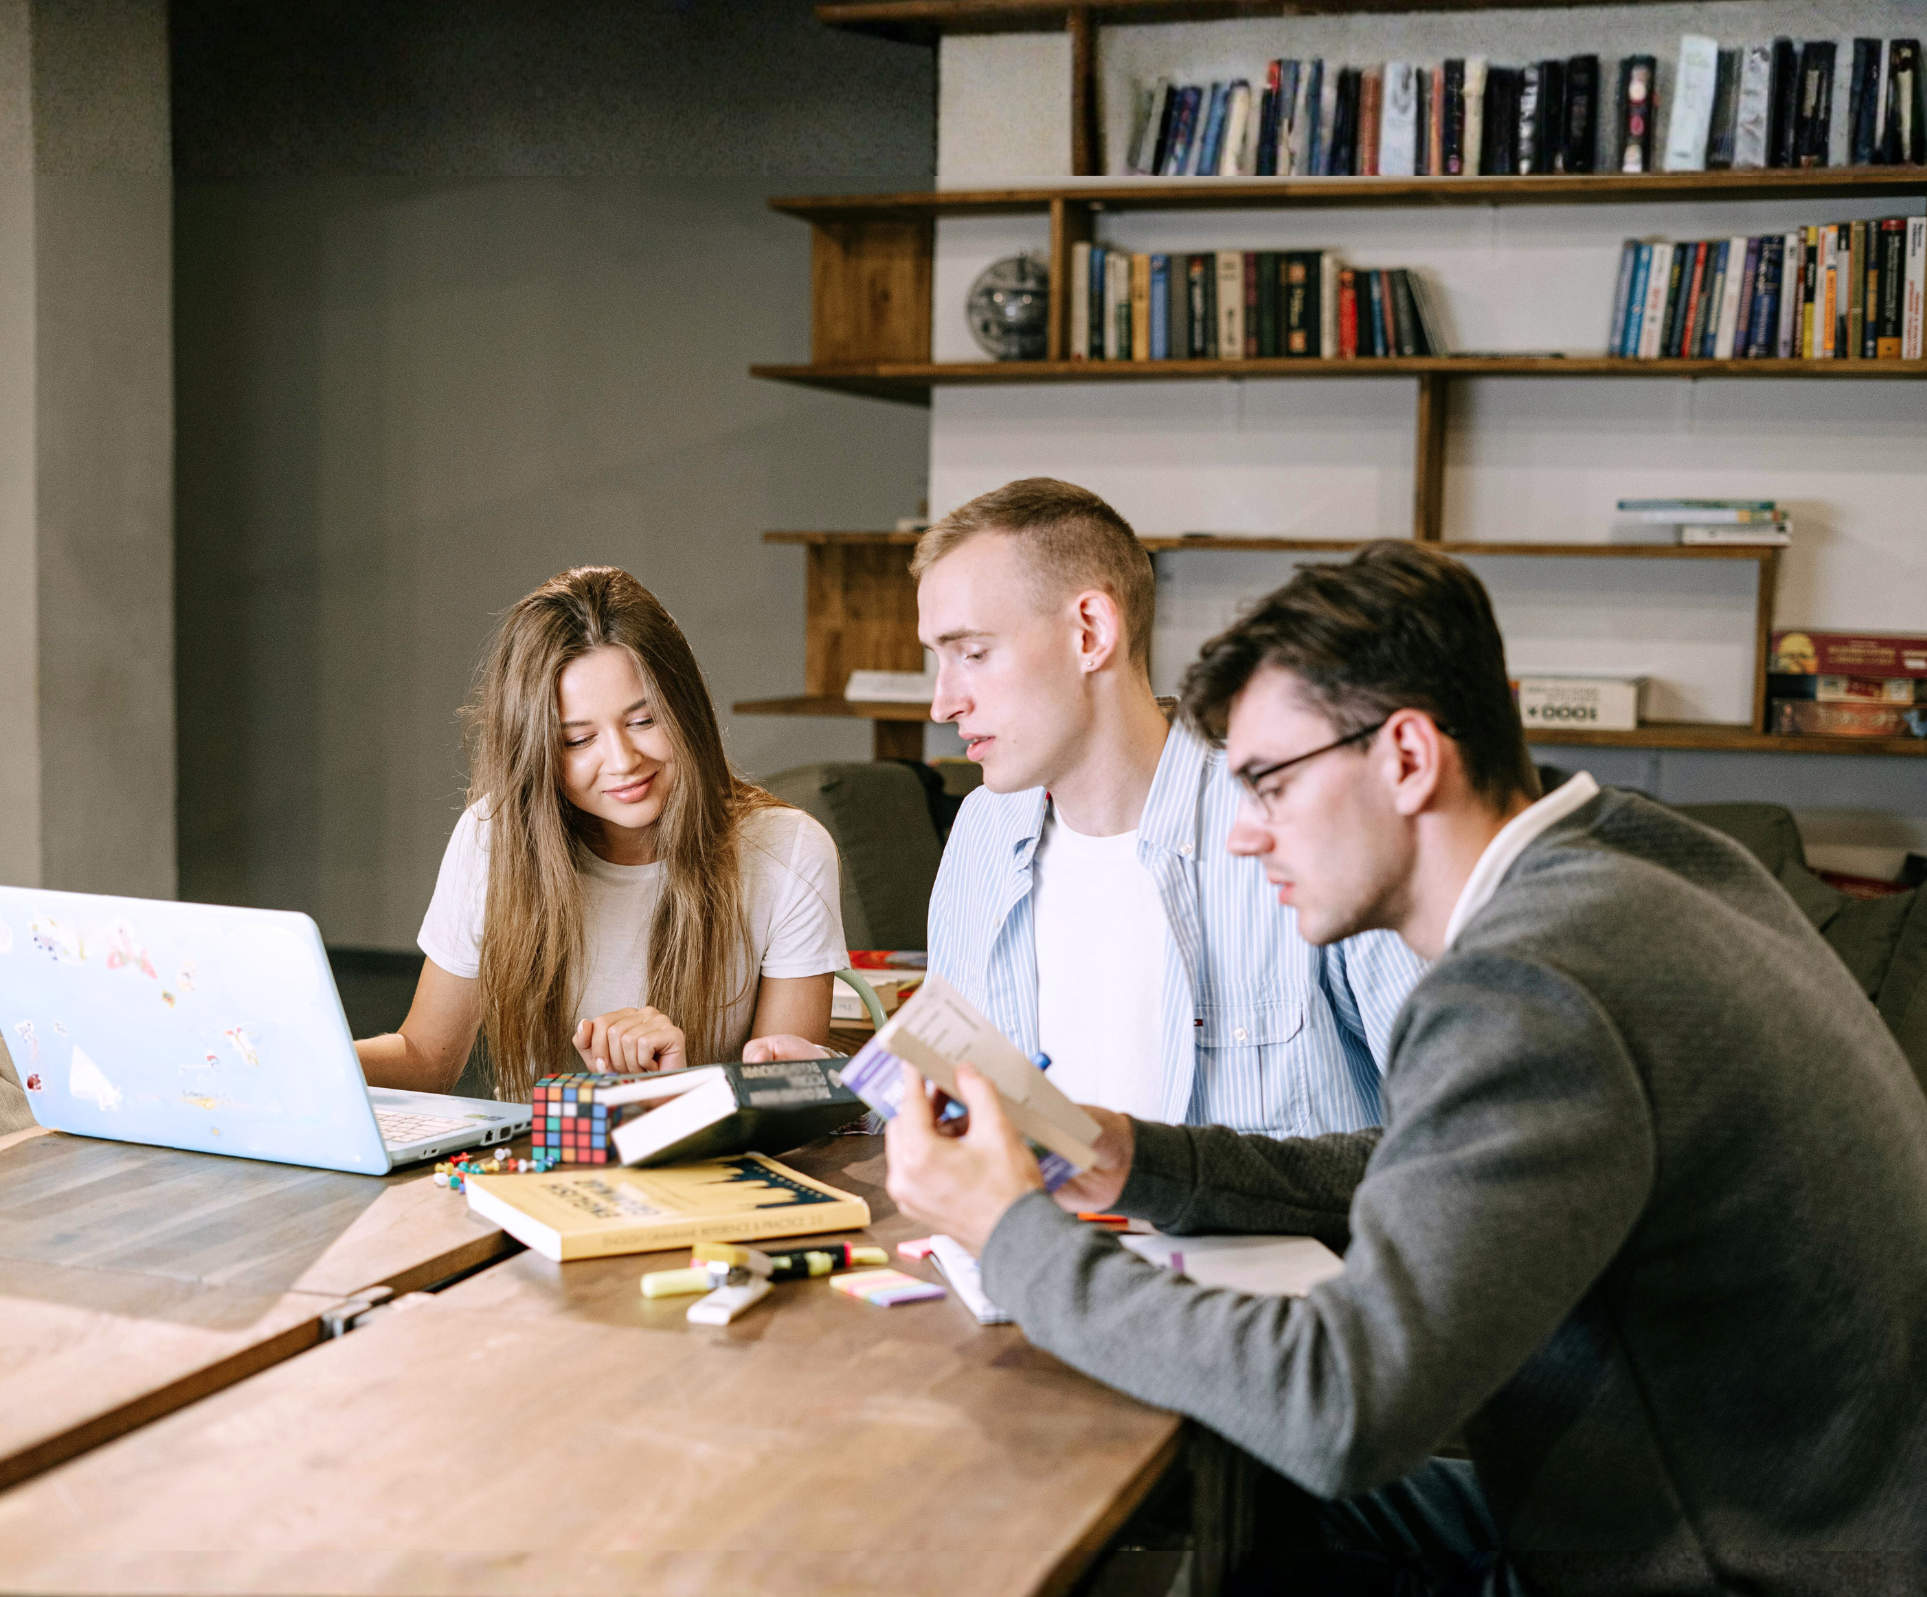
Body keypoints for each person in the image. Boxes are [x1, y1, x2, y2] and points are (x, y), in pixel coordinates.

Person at [882, 541, 1927, 1595]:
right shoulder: (1639, 856)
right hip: (1738, 1503)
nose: (1243, 837)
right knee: (1215, 1494)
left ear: (1408, 758)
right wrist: (1138, 1157)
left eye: (1269, 785)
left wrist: (1015, 1237)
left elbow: (1342, 1406)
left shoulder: (1533, 984)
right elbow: (1433, 1163)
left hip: (1730, 1560)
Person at [875, 478, 1426, 1132]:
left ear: (1089, 632)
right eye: (937, 660)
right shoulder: (981, 832)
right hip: (1029, 1232)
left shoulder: (1304, 822)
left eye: (972, 653)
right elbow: (960, 1107)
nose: (943, 704)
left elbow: (1453, 1131)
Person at [356, 566, 846, 1100]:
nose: (622, 761)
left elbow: (783, 1099)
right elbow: (427, 1060)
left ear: (686, 708)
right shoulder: (493, 837)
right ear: (536, 752)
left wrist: (672, 1091)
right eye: (578, 740)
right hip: (532, 1171)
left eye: (643, 721)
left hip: (707, 1175)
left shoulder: (789, 850)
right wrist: (287, 1057)